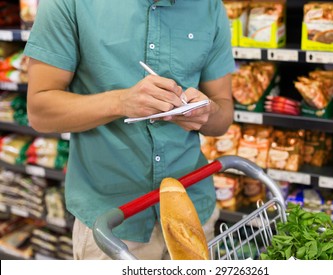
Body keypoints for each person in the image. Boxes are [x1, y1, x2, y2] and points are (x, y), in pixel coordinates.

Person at [24, 0, 235, 260]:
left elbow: (224, 115)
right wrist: (121, 102)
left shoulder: (209, 7)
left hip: (192, 212)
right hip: (112, 225)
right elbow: (40, 111)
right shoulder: (70, 4)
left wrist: (207, 112)